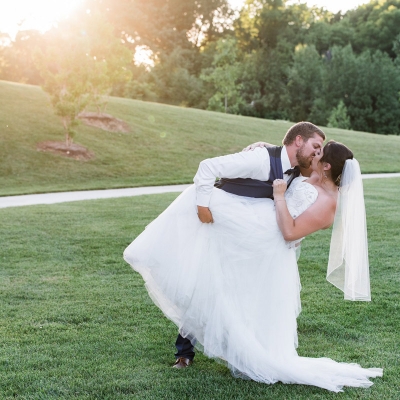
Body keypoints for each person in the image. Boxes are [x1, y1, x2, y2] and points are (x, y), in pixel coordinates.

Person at [123, 122, 382, 392]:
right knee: (210, 280)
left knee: (239, 297)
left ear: (327, 165)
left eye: (320, 152)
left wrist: (280, 197)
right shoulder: (305, 173)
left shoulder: (328, 199)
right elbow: (284, 158)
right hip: (251, 233)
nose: (315, 155)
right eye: (315, 148)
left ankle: (244, 350)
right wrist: (263, 147)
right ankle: (186, 350)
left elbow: (292, 231)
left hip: (266, 244)